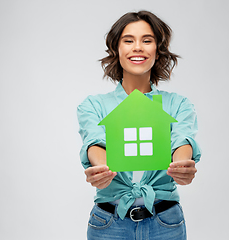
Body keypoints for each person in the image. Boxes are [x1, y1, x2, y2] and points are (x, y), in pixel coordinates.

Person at [77, 10, 201, 240]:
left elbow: (182, 140)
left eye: (147, 40)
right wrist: (103, 169)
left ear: (158, 49)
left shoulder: (178, 104)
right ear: (117, 49)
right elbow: (94, 142)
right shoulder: (93, 105)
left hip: (166, 223)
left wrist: (181, 165)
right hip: (108, 224)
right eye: (128, 40)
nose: (137, 47)